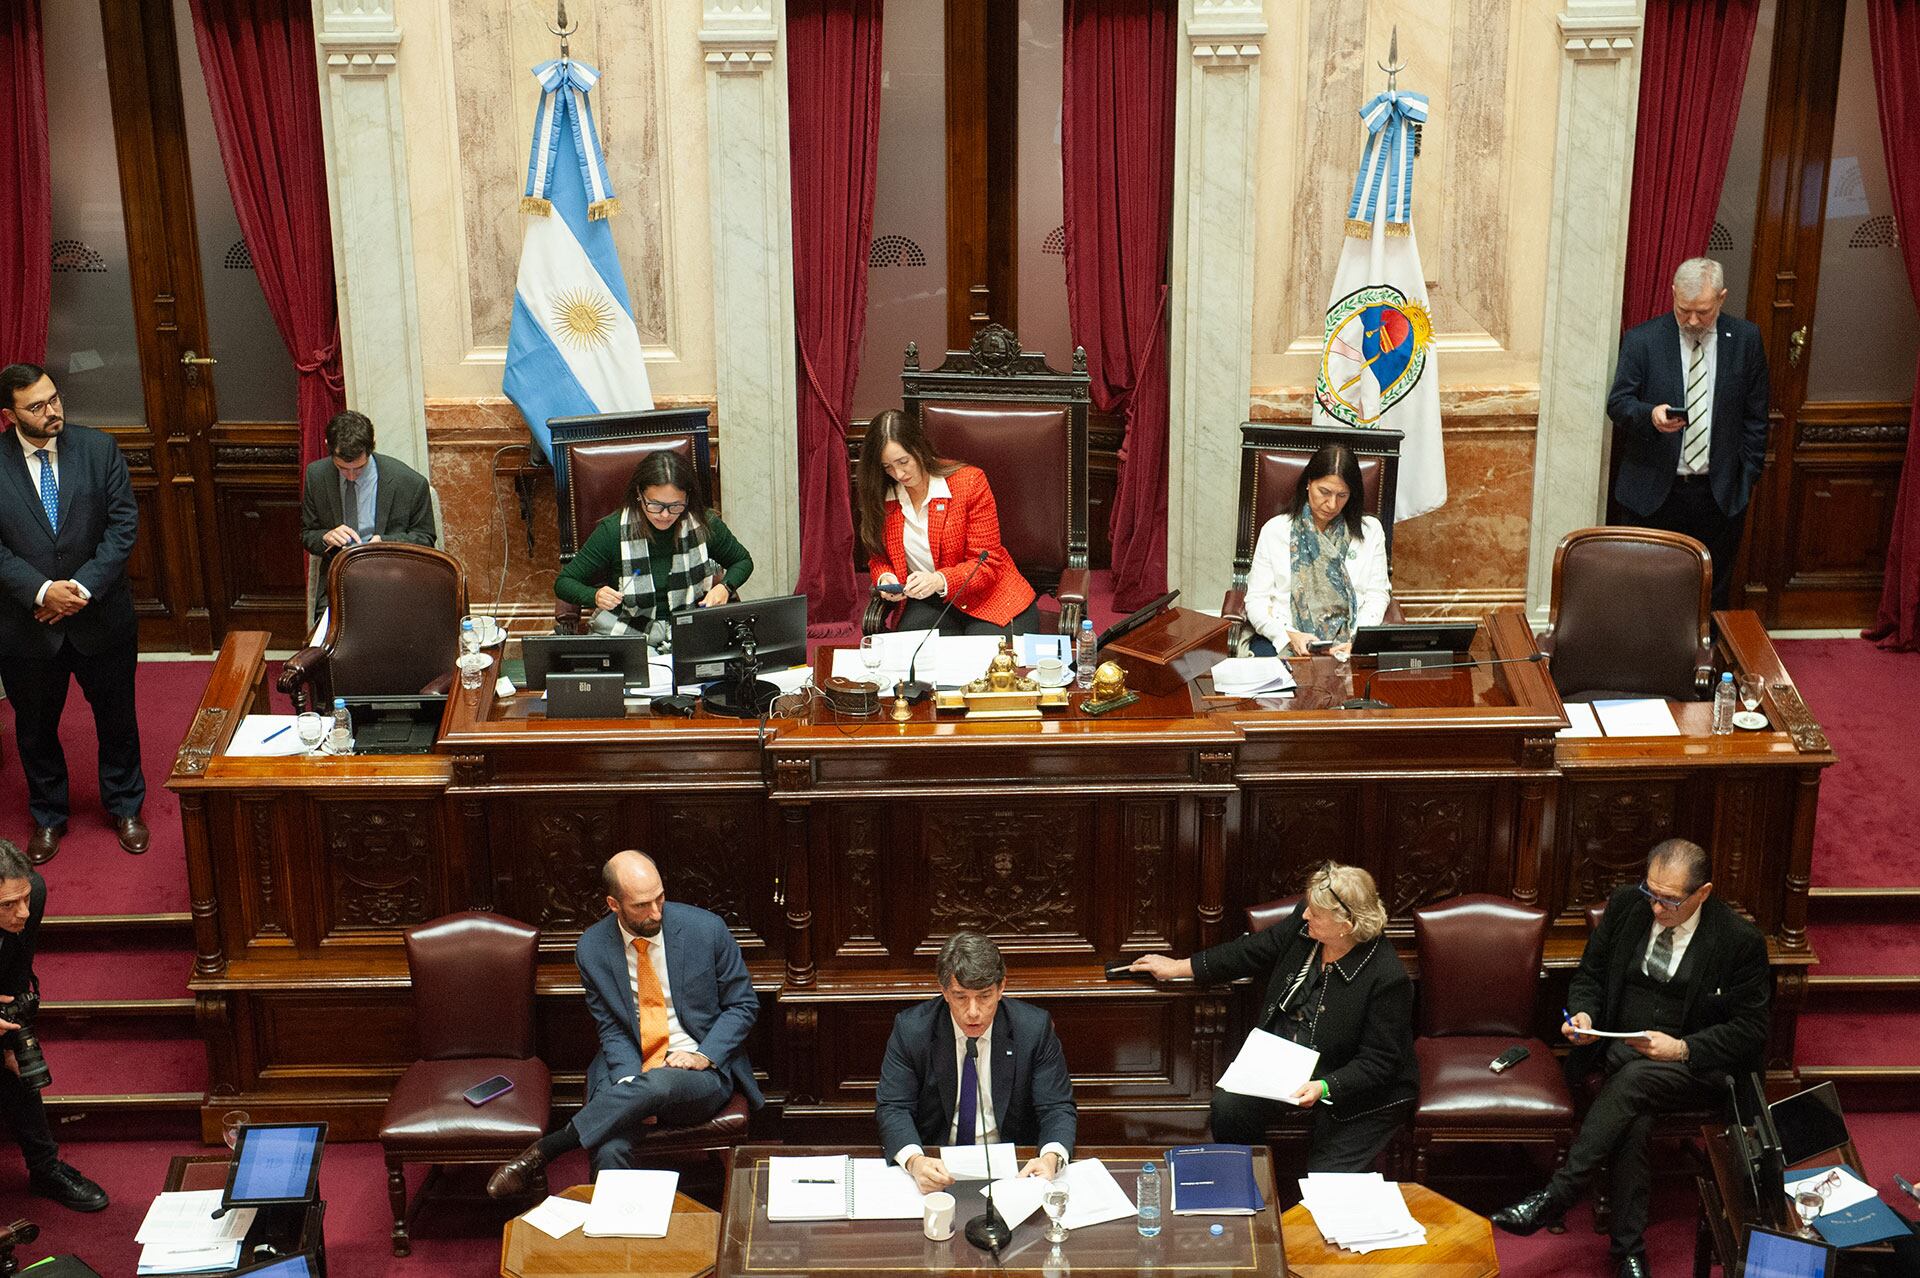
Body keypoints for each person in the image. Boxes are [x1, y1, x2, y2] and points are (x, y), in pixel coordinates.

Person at [1491, 838, 1770, 1278]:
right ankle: (1628, 1255)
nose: (1657, 908)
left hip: (1696, 1067)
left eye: (1670, 901)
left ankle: (1559, 1194)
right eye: (1651, 893)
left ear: (1703, 893)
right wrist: (1583, 1013)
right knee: (1633, 1115)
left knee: (1636, 1079)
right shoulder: (1626, 906)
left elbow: (1751, 1031)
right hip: (1620, 1057)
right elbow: (1592, 975)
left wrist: (1682, 1048)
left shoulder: (1738, 941)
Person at [488, 851, 760, 1194]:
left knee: (658, 1086)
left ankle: (546, 1150)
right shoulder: (592, 948)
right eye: (642, 905)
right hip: (628, 1059)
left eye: (660, 897)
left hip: (698, 1069)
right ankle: (614, 1240)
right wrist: (630, 1080)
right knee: (610, 1145)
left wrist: (704, 1055)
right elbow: (611, 1028)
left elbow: (743, 1005)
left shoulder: (706, 930)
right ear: (614, 904)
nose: (656, 911)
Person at [1132, 862, 1416, 1172]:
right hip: (1284, 1061)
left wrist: (1325, 1086)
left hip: (1352, 1088)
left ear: (1345, 925)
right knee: (1228, 1107)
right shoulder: (1306, 925)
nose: (1305, 916)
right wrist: (1179, 967)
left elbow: (1379, 1062)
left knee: (1325, 1182)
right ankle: (1242, 1189)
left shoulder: (1387, 977)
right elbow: (1253, 950)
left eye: (1316, 914)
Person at [0, 363, 147, 865]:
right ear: (9, 415)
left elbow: (123, 526)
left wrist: (79, 588)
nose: (52, 411)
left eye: (54, 399)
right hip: (27, 625)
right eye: (36, 406)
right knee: (35, 727)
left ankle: (125, 805)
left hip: (100, 616)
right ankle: (48, 815)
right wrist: (42, 591)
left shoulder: (98, 448)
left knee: (117, 718)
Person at [1607, 257, 1770, 612]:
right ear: (1673, 296)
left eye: (1703, 312)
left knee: (1710, 595)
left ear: (1722, 299)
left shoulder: (1745, 340)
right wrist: (1649, 414)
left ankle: (1704, 665)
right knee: (1645, 593)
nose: (1693, 321)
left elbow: (1756, 417)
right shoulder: (1643, 340)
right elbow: (1618, 403)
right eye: (1684, 311)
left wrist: (1747, 476)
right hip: (1653, 493)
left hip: (1718, 494)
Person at [876, 931, 1075, 1194]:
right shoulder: (913, 1030)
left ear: (1001, 988)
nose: (973, 1012)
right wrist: (915, 1161)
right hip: (937, 1168)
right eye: (960, 997)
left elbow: (1057, 1108)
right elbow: (893, 1107)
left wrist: (1050, 1158)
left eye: (984, 996)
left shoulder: (1032, 1029)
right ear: (944, 991)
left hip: (1014, 1172)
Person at [857, 409, 1039, 637]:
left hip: (990, 597)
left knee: (989, 665)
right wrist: (886, 578)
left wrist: (939, 579)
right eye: (887, 467)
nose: (899, 473)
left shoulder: (969, 483)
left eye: (903, 461)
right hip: (927, 602)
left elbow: (987, 563)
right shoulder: (882, 494)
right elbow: (879, 558)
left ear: (919, 448)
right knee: (919, 664)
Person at [0, 841, 109, 1211]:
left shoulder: (34, 894)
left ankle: (45, 1170)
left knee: (18, 1065)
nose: (24, 913)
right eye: (8, 905)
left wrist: (10, 1040)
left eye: (24, 898)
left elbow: (16, 968)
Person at [553, 449, 752, 647]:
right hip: (631, 630)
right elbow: (564, 582)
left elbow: (742, 561)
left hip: (691, 627)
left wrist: (725, 587)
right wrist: (594, 596)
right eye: (655, 505)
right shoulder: (612, 530)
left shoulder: (704, 523)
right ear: (639, 494)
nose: (665, 515)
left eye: (676, 506)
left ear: (687, 499)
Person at [1243, 443, 1392, 659]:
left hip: (1347, 646)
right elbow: (1256, 600)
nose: (1331, 504)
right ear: (1308, 483)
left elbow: (1377, 596)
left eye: (1342, 495)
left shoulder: (1370, 531)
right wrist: (1286, 635)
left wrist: (1357, 640)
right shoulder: (1276, 530)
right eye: (1324, 492)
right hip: (1285, 639)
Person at [298, 410, 438, 570]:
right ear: (327, 445)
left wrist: (385, 544)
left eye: (359, 468)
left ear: (373, 444)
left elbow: (425, 538)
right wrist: (326, 538)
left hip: (394, 573)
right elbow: (308, 533)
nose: (351, 476)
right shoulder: (316, 476)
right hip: (340, 577)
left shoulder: (409, 482)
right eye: (342, 468)